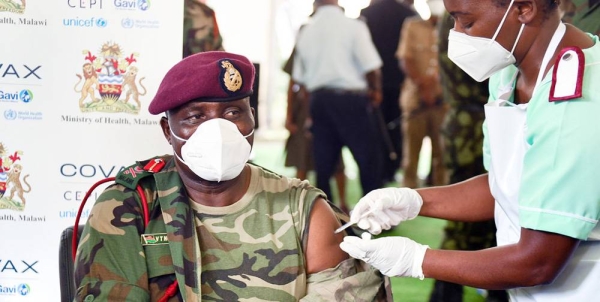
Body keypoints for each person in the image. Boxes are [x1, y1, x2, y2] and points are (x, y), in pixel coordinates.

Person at [73, 51, 392, 301]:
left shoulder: (303, 209)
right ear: (168, 131)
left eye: (232, 113)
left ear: (252, 118)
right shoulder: (129, 206)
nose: (218, 130)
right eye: (196, 116)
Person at [340, 0, 600, 301]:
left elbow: (538, 262)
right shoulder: (508, 73)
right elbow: (504, 186)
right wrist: (414, 201)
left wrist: (416, 260)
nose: (457, 35)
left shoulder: (575, 101)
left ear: (524, 9)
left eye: (467, 22)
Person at [429, 10, 507, 302]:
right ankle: (447, 290)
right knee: (469, 215)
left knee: (498, 213)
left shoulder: (457, 16)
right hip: (472, 123)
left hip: (469, 121)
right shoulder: (467, 17)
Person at [292, 0, 384, 202]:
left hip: (319, 102)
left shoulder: (306, 30)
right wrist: (376, 91)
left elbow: (300, 80)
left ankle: (328, 217)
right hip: (351, 101)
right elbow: (371, 66)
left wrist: (309, 112)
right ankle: (375, 214)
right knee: (368, 159)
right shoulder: (353, 26)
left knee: (324, 164)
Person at [282, 48, 349, 212]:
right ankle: (298, 205)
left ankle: (342, 203)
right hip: (306, 108)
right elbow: (292, 83)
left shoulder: (334, 47)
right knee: (302, 158)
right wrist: (289, 115)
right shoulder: (302, 46)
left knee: (336, 160)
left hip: (328, 106)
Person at [360, 0, 417, 184]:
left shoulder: (366, 13)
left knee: (377, 128)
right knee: (397, 128)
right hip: (401, 81)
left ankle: (381, 170)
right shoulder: (407, 13)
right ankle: (393, 168)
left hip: (374, 83)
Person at [396, 0, 448, 188]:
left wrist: (436, 87)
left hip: (442, 101)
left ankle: (441, 193)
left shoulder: (453, 28)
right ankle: (407, 195)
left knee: (442, 154)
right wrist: (423, 86)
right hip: (415, 101)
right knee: (411, 154)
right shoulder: (412, 26)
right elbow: (405, 58)